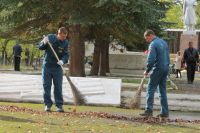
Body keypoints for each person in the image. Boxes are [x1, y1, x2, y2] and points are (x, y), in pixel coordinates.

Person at [38, 27, 69, 112]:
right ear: (58, 34)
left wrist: (63, 61)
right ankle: (47, 105)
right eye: (62, 36)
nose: (63, 38)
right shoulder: (50, 37)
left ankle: (59, 105)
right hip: (47, 66)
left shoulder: (65, 43)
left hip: (57, 68)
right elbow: (40, 47)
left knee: (58, 87)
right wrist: (44, 42)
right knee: (46, 86)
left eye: (65, 37)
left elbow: (66, 55)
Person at [140, 29, 170, 118]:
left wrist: (147, 70)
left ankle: (148, 110)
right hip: (165, 68)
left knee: (150, 89)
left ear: (150, 35)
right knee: (162, 90)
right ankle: (164, 112)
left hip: (157, 69)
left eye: (147, 38)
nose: (147, 40)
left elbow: (151, 59)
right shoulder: (164, 43)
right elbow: (167, 57)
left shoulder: (153, 44)